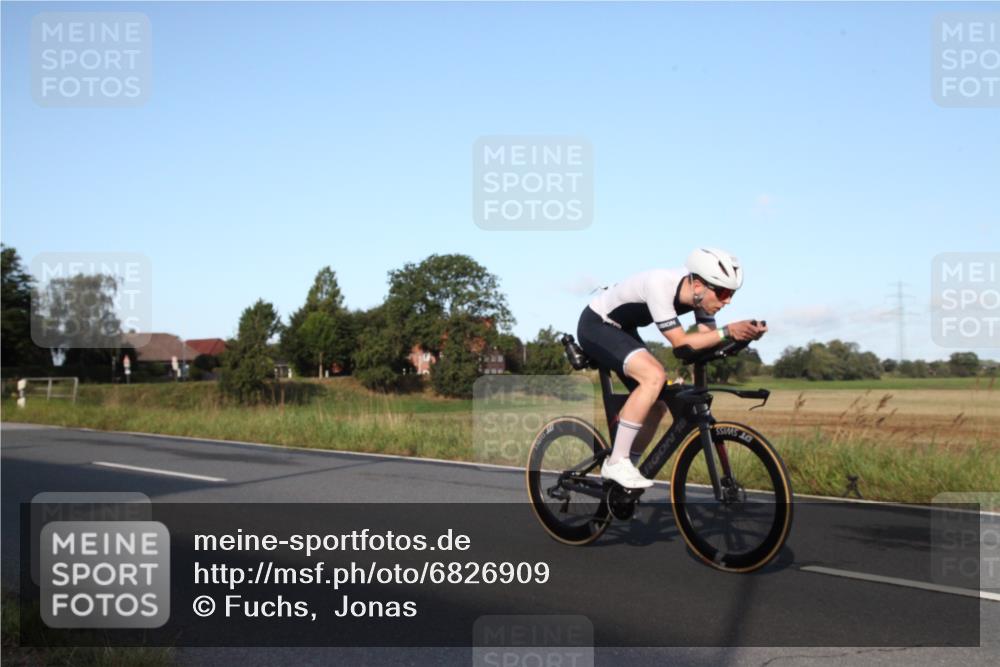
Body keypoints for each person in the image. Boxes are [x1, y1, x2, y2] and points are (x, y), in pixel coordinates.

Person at [576, 248, 767, 489]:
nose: (727, 300)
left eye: (731, 293)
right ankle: (616, 463)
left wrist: (742, 338)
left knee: (657, 406)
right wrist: (728, 331)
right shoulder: (661, 285)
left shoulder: (700, 299)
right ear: (698, 285)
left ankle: (622, 482)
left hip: (623, 329)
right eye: (723, 292)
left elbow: (705, 342)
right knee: (654, 376)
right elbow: (681, 343)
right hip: (597, 325)